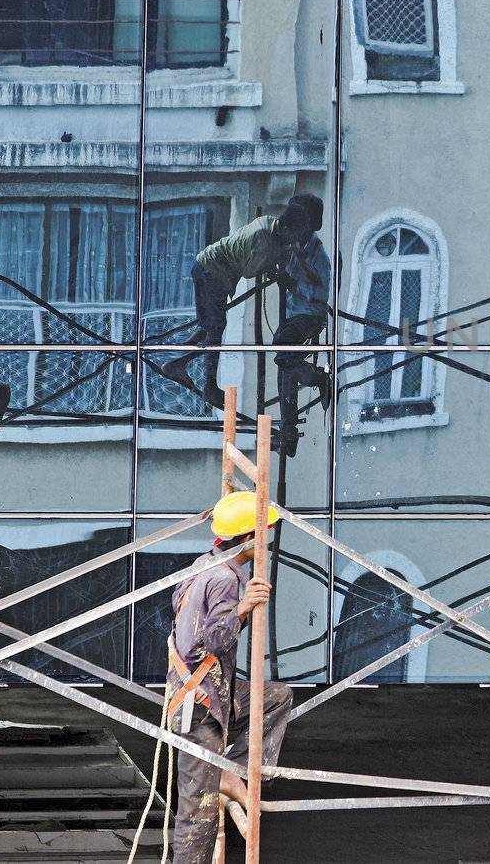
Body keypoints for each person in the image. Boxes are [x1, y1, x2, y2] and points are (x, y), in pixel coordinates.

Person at [167, 490, 292, 864]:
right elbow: (212, 641)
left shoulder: (203, 564)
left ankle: (228, 770)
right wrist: (244, 607)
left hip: (207, 692)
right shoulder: (223, 578)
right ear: (246, 538)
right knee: (197, 816)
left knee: (276, 696)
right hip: (200, 705)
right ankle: (223, 774)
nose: (267, 541)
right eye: (263, 533)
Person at [162, 196, 321, 409]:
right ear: (285, 228)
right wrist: (277, 272)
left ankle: (177, 362)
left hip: (215, 273)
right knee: (215, 328)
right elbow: (250, 271)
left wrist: (286, 257)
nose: (296, 240)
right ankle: (209, 386)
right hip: (211, 272)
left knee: (209, 326)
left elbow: (277, 252)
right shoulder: (263, 239)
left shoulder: (271, 225)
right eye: (295, 234)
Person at [272, 195, 331, 457]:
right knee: (285, 369)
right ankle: (289, 431)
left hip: (309, 315)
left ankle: (317, 377)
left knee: (282, 353)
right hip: (294, 314)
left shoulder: (320, 257)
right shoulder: (295, 247)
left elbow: (319, 293)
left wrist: (292, 284)